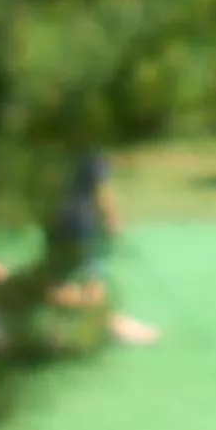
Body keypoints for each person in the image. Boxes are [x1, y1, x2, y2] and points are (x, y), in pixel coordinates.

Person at [51, 148, 161, 346]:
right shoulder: (92, 151)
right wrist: (112, 219)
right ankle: (111, 324)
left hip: (57, 219)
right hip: (81, 222)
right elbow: (101, 189)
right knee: (91, 275)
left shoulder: (57, 146)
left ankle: (67, 329)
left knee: (66, 275)